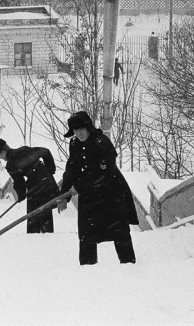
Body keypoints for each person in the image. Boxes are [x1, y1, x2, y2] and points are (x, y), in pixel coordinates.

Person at [59, 111, 139, 265]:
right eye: (75, 131)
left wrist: (79, 186)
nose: (79, 133)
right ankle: (88, 270)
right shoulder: (75, 144)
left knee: (119, 232)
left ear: (88, 127)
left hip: (110, 193)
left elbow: (104, 172)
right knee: (86, 234)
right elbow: (72, 169)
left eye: (81, 129)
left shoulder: (102, 142)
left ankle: (129, 266)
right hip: (89, 196)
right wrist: (64, 195)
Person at [0, 139, 60, 233]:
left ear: (3, 152)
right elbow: (45, 151)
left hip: (36, 188)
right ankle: (47, 235)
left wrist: (21, 195)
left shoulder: (10, 164)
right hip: (48, 184)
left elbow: (19, 182)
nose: (1, 158)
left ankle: (34, 238)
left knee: (33, 218)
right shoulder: (24, 149)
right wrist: (50, 170)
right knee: (46, 215)